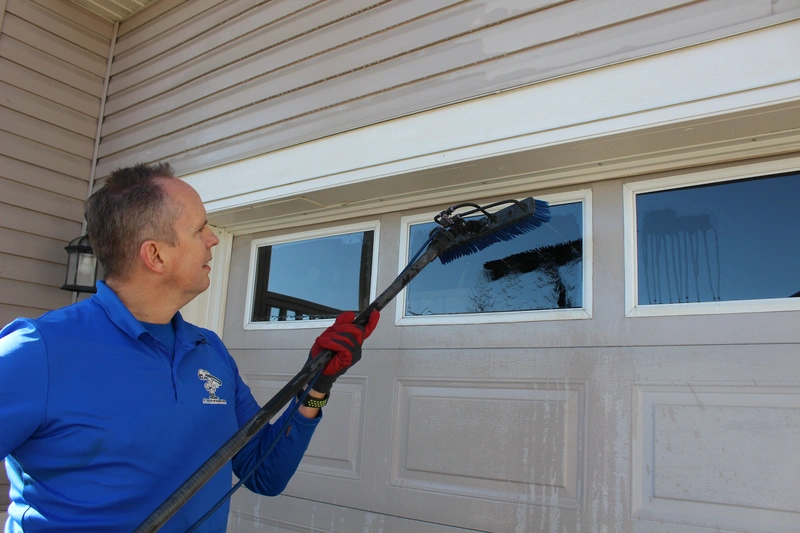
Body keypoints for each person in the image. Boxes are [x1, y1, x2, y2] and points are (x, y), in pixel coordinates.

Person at [0, 162, 379, 532]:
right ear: (156, 255)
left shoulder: (207, 349)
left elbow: (264, 473)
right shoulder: (38, 350)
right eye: (199, 229)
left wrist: (317, 386)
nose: (213, 238)